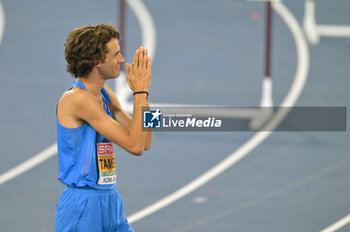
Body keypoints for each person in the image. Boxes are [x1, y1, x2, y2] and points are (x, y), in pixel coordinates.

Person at [55, 23, 152, 232]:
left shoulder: (104, 93)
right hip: (83, 204)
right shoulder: (76, 100)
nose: (121, 60)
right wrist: (140, 93)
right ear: (97, 61)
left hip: (110, 198)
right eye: (116, 54)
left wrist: (145, 93)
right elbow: (135, 146)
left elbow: (146, 142)